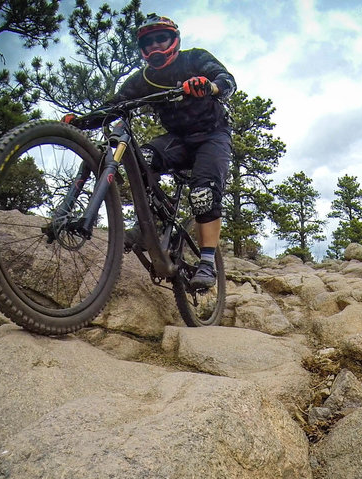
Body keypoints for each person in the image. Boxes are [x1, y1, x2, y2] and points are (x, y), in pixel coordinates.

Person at [66, 13, 236, 290]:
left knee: (203, 194)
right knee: (139, 161)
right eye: (149, 42)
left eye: (162, 39)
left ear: (174, 40)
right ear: (142, 49)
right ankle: (153, 224)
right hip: (177, 139)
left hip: (212, 136)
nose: (156, 46)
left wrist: (209, 86)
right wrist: (81, 121)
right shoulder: (142, 79)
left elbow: (226, 80)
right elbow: (114, 106)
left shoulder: (194, 59)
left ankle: (206, 262)